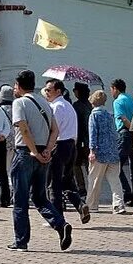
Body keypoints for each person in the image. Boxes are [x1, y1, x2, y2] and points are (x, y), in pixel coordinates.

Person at [9, 70, 73, 251]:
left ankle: (21, 241)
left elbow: (24, 129)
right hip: (43, 152)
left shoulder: (19, 103)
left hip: (25, 152)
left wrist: (34, 152)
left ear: (19, 85)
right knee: (39, 197)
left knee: (20, 199)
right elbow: (55, 130)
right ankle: (60, 224)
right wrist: (47, 150)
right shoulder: (44, 102)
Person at [43, 78, 91, 223]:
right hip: (71, 145)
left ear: (58, 91)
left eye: (49, 90)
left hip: (59, 145)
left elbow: (53, 129)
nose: (46, 92)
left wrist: (47, 148)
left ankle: (57, 217)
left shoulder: (56, 107)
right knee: (67, 181)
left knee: (54, 184)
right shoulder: (68, 105)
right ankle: (80, 205)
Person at [85, 89, 123, 215]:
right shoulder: (109, 115)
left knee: (95, 179)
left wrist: (92, 151)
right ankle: (118, 205)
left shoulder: (94, 115)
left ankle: (92, 205)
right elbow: (115, 133)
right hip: (113, 152)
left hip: (100, 153)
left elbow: (93, 134)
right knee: (115, 181)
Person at [110, 79, 133, 210]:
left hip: (124, 133)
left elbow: (123, 118)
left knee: (116, 166)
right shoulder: (132, 100)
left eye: (112, 89)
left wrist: (130, 128)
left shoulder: (118, 101)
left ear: (115, 89)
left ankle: (127, 193)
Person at [72, 81, 93, 196]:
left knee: (76, 164)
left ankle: (81, 187)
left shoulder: (76, 106)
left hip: (80, 140)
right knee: (89, 165)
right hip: (89, 140)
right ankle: (92, 187)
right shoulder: (90, 105)